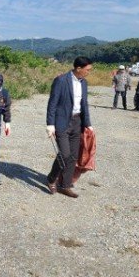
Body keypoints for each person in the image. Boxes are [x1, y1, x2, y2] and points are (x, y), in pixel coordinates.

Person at [46, 56, 94, 198]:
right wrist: (50, 124)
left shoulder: (84, 83)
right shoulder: (61, 80)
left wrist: (88, 124)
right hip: (62, 122)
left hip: (77, 122)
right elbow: (52, 103)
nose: (89, 72)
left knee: (73, 156)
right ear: (78, 68)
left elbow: (84, 105)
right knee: (64, 154)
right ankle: (51, 178)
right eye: (87, 69)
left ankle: (65, 185)